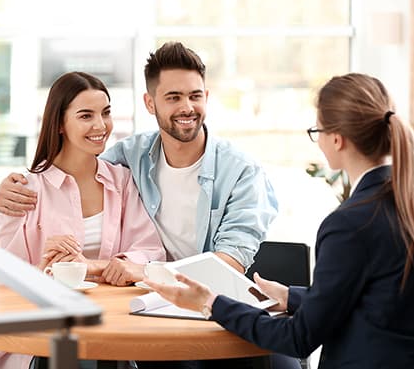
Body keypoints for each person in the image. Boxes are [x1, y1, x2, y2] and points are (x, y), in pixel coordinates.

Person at [0, 42, 283, 369]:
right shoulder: (131, 159)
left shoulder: (242, 172)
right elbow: (76, 167)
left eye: (195, 95)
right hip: (134, 311)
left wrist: (107, 267)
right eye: (173, 97)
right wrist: (6, 192)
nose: (187, 107)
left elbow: (226, 263)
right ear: (150, 102)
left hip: (207, 306)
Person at [145, 73, 414, 369]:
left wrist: (210, 303)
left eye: (318, 131)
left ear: (337, 139)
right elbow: (369, 298)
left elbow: (298, 338)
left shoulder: (350, 224)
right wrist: (289, 296)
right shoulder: (401, 202)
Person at [0, 71, 165, 369]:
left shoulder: (121, 182)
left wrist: (98, 266)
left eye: (106, 113)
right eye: (86, 116)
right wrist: (45, 271)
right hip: (42, 338)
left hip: (111, 326)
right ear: (59, 123)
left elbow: (150, 252)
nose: (100, 126)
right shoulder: (25, 190)